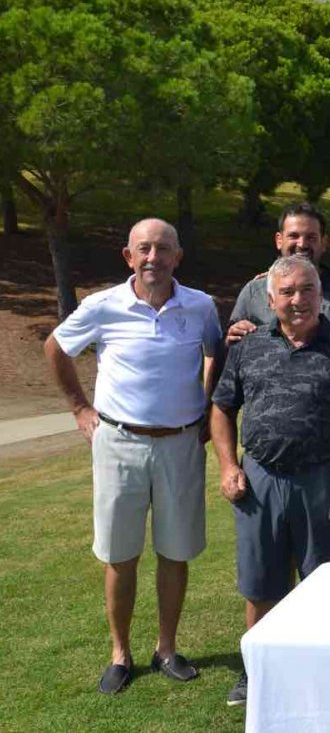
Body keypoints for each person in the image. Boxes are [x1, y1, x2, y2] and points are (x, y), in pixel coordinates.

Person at [43, 218, 222, 694]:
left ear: (177, 257)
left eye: (163, 249)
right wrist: (80, 408)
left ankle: (166, 648)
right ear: (128, 256)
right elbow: (56, 347)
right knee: (120, 555)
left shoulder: (201, 306)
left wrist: (206, 407)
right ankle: (120, 653)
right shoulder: (102, 306)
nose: (153, 258)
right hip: (118, 443)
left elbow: (217, 354)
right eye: (143, 249)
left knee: (175, 551)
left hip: (182, 443)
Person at [210, 254, 330, 706]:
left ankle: (328, 672)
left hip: (325, 482)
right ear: (270, 299)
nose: (298, 300)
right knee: (261, 583)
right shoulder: (248, 347)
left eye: (307, 290)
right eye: (286, 292)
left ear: (321, 295)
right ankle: (257, 672)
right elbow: (222, 408)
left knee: (328, 584)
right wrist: (228, 465)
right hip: (261, 481)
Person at [226, 201, 330, 381]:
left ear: (324, 242)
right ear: (279, 240)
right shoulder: (254, 292)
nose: (302, 244)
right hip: (269, 403)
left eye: (311, 237)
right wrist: (231, 338)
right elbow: (229, 353)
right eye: (293, 236)